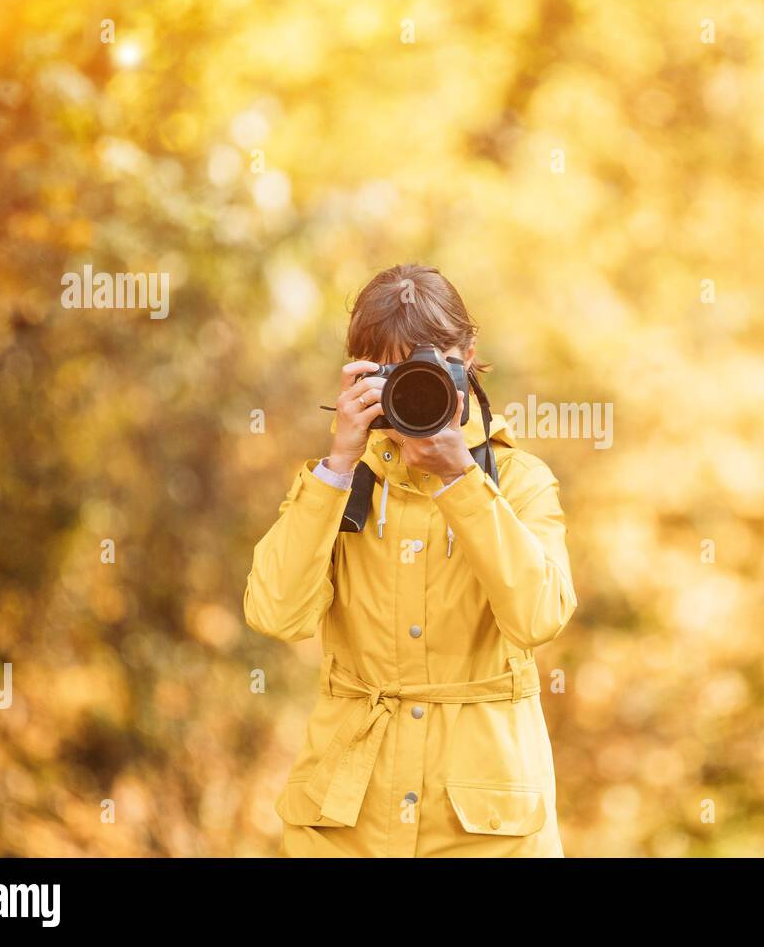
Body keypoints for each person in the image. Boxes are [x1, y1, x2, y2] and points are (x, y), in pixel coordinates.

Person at [244, 264, 577, 856]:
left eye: (430, 367)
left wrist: (462, 481)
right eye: (392, 372)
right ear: (359, 374)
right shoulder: (339, 484)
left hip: (486, 831)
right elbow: (276, 615)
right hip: (345, 823)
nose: (414, 388)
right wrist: (338, 463)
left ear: (468, 358)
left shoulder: (519, 483)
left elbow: (538, 619)